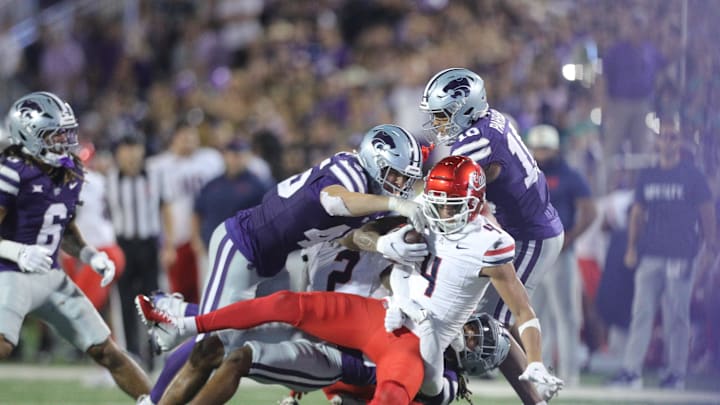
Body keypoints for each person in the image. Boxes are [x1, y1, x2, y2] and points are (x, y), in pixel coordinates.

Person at [138, 155, 562, 405]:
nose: (442, 212)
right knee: (276, 313)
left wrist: (535, 368)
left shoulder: (445, 374)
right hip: (377, 318)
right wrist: (387, 254)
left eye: (451, 205)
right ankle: (189, 320)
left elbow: (515, 322)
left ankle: (189, 317)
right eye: (439, 202)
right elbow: (358, 235)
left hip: (373, 356)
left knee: (390, 388)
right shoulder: (424, 219)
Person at [136, 124, 427, 405]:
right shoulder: (350, 172)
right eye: (396, 174)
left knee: (269, 330)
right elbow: (334, 201)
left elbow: (345, 235)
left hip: (274, 259)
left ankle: (183, 315)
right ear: (375, 161)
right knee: (211, 347)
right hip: (244, 244)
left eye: (405, 178)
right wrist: (392, 204)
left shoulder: (366, 189)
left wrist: (379, 242)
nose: (400, 184)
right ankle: (169, 344)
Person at [419, 67, 564, 399]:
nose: (438, 123)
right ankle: (537, 386)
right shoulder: (491, 119)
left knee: (492, 325)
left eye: (443, 115)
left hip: (532, 235)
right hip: (526, 226)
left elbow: (446, 191)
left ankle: (536, 397)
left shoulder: (476, 141)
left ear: (465, 109)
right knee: (492, 319)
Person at [0, 91, 151, 400]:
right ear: (27, 135)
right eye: (54, 133)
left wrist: (89, 254)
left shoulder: (71, 172)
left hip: (52, 277)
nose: (64, 140)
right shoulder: (11, 172)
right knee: (2, 344)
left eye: (66, 131)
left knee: (106, 349)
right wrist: (19, 251)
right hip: (11, 273)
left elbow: (64, 228)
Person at [610, 119, 717, 389]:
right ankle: (631, 371)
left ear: (680, 142)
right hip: (651, 252)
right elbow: (637, 213)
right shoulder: (648, 174)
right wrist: (632, 247)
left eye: (673, 137)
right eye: (665, 137)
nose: (668, 142)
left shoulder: (692, 174)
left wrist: (711, 245)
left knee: (676, 315)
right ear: (657, 142)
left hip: (681, 253)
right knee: (642, 312)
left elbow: (707, 211)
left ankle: (675, 374)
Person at [526, 124, 596, 386]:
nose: (541, 153)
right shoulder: (527, 174)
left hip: (558, 254)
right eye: (537, 148)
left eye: (545, 148)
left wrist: (569, 238)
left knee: (566, 316)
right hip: (534, 254)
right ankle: (541, 374)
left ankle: (570, 374)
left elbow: (590, 211)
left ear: (555, 149)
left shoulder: (568, 175)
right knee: (536, 315)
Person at [107, 128, 172, 367]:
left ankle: (155, 351)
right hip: (122, 245)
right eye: (126, 148)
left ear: (143, 150)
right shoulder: (110, 178)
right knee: (125, 301)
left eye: (135, 147)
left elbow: (166, 209)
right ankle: (132, 353)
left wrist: (169, 245)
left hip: (149, 244)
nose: (131, 154)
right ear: (119, 152)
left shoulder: (155, 175)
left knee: (153, 299)